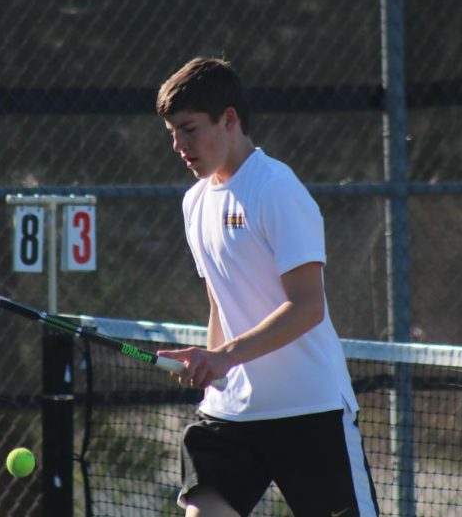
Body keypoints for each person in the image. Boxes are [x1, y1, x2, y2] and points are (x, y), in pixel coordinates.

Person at [155, 57, 380, 517]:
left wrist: (223, 356)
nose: (179, 144)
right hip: (231, 417)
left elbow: (307, 306)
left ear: (230, 119)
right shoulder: (194, 202)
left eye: (190, 129)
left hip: (309, 411)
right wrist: (210, 368)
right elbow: (221, 300)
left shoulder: (277, 189)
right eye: (172, 133)